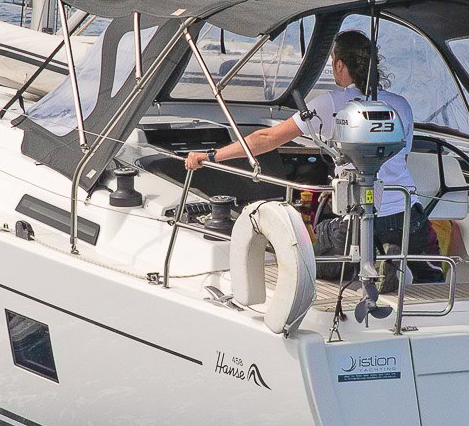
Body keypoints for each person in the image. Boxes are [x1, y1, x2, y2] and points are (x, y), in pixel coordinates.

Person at [184, 29, 437, 275]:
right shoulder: (400, 104)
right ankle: (389, 261)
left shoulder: (332, 103)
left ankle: (376, 262)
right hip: (408, 220)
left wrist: (210, 157)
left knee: (299, 267)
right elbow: (401, 158)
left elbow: (267, 138)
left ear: (339, 65)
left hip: (356, 227)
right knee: (424, 271)